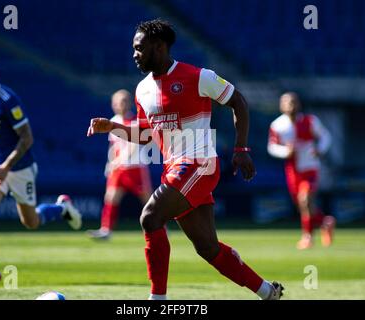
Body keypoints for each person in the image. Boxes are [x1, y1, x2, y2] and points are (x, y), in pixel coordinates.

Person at [87, 19, 284, 300]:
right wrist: (112, 127)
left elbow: (238, 101)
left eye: (139, 48)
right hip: (174, 168)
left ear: (159, 47)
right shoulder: (142, 89)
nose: (134, 54)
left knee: (150, 217)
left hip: (199, 164)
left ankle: (157, 300)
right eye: (134, 48)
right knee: (208, 248)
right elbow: (145, 135)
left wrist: (241, 150)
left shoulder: (198, 76)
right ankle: (268, 291)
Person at [0, 53, 82, 282]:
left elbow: (27, 138)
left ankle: (61, 208)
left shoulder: (8, 101)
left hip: (20, 168)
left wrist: (7, 166)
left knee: (31, 222)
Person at [268, 92, 335, 250]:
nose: (290, 105)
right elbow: (271, 147)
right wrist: (286, 152)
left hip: (309, 168)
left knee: (305, 200)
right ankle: (325, 222)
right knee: (302, 204)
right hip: (292, 170)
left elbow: (326, 137)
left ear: (299, 104)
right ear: (281, 105)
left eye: (293, 102)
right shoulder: (277, 126)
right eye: (287, 102)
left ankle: (308, 237)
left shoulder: (310, 121)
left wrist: (319, 149)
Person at [87, 89, 153, 240]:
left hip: (135, 167)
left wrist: (119, 160)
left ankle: (159, 228)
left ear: (129, 103)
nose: (119, 105)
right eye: (116, 102)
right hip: (118, 169)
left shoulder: (135, 121)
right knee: (110, 197)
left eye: (122, 101)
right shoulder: (113, 121)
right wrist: (109, 163)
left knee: (148, 201)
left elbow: (133, 145)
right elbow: (114, 147)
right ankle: (106, 230)